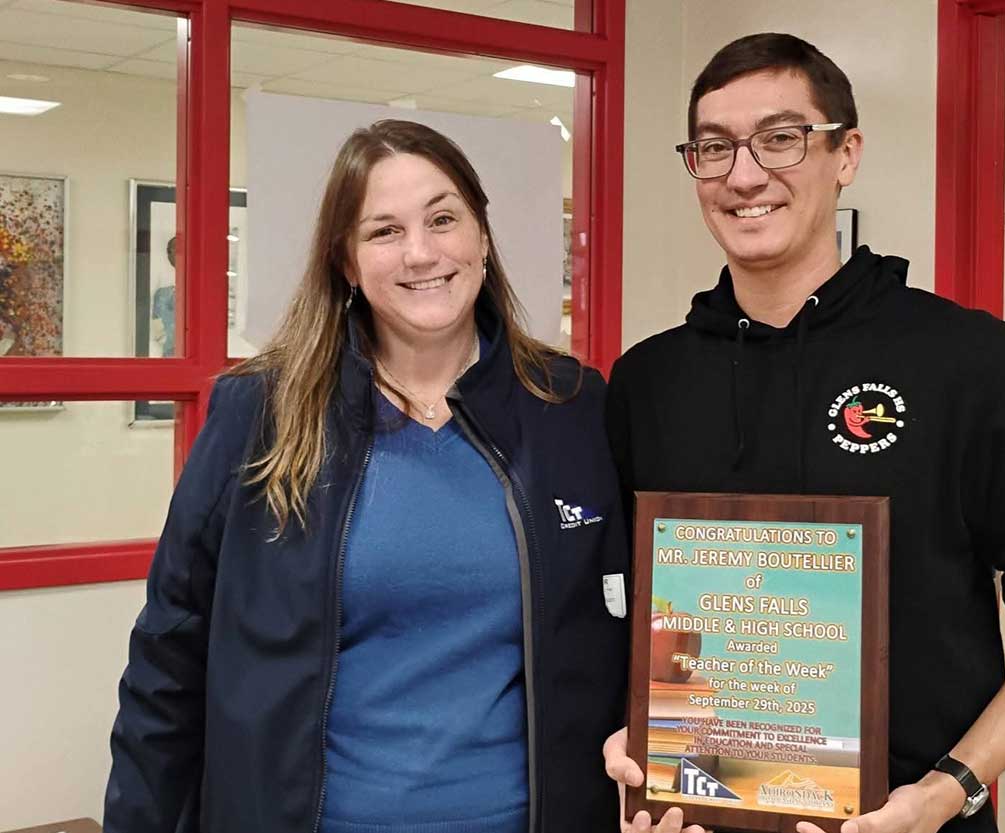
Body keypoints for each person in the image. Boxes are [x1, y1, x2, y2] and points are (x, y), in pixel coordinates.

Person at [602, 33, 1005, 833]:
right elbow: (634, 615)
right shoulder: (647, 381)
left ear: (845, 153)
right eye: (714, 148)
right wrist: (634, 743)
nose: (743, 175)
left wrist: (953, 785)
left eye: (782, 139)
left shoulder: (967, 361)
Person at [104, 119, 630, 833]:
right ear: (347, 262)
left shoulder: (569, 406)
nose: (421, 252)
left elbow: (628, 632)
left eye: (443, 219)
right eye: (384, 231)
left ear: (481, 235)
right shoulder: (261, 413)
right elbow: (169, 660)